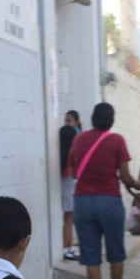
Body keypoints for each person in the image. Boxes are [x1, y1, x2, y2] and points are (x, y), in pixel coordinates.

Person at [68, 102, 140, 279]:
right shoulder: (116, 140)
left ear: (92, 118)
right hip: (110, 202)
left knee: (91, 258)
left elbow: (74, 172)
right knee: (116, 255)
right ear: (112, 119)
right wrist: (139, 186)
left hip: (83, 202)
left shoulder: (79, 138)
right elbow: (126, 177)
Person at [59, 110, 81, 261]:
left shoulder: (69, 134)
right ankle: (67, 248)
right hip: (69, 179)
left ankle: (69, 246)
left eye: (70, 120)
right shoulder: (73, 135)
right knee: (69, 216)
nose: (67, 123)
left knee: (69, 216)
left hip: (69, 178)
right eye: (66, 120)